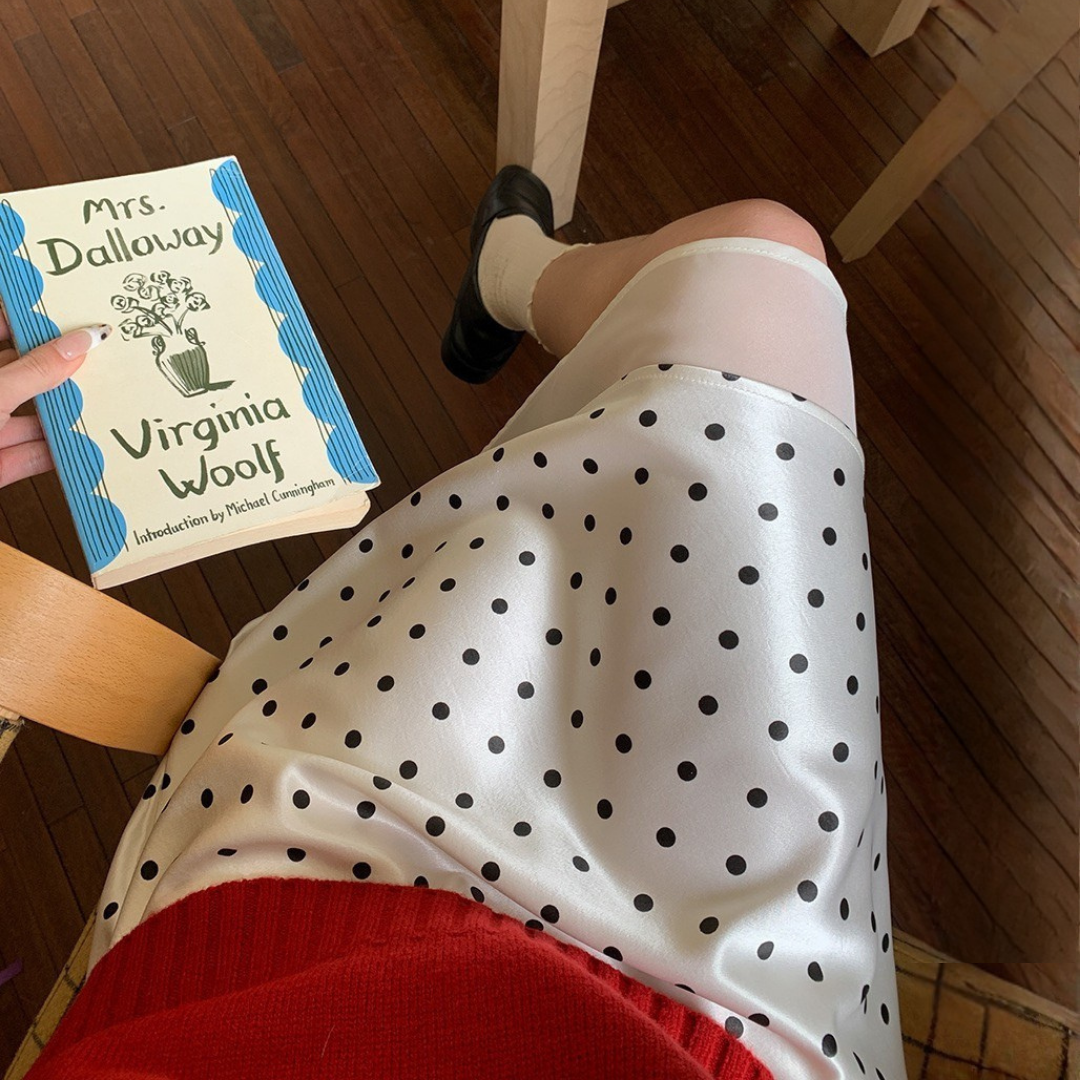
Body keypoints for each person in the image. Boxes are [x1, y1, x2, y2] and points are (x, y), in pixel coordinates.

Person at [18, 167, 906, 1080]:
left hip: (301, 940)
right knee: (762, 259)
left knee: (746, 277)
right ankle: (508, 272)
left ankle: (508, 275)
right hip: (741, 1015)